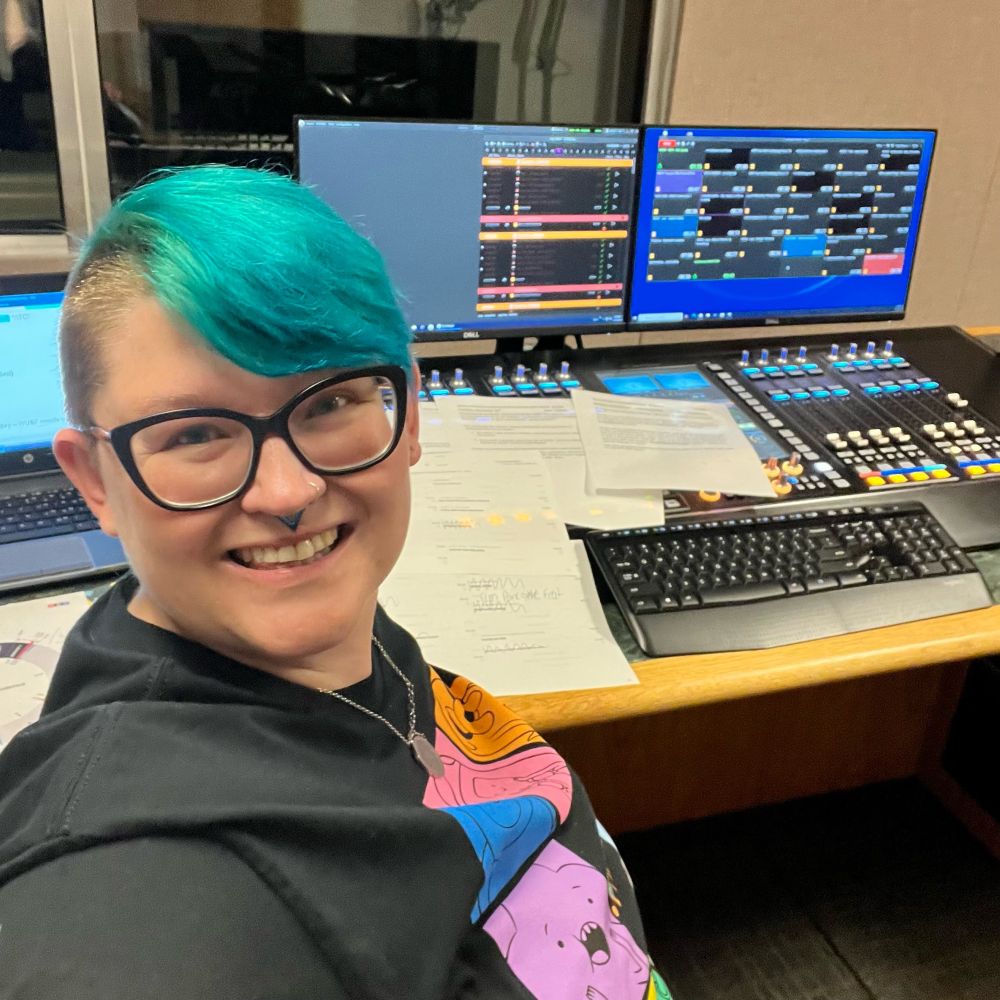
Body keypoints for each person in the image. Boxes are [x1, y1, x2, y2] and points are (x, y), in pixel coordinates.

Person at [0, 165, 672, 1000]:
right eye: (197, 433)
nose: (287, 494)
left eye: (329, 403)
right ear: (95, 481)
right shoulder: (125, 900)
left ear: (410, 415)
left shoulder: (331, 643)